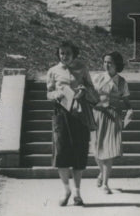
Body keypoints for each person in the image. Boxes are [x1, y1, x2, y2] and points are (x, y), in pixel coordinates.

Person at [45, 40, 99, 206]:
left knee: (79, 152)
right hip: (61, 114)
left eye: (68, 53)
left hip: (80, 114)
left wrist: (84, 90)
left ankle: (77, 192)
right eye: (61, 53)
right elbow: (48, 93)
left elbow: (92, 90)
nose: (64, 56)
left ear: (74, 54)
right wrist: (57, 94)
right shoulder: (53, 71)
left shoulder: (82, 68)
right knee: (61, 152)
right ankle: (66, 189)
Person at [91, 51, 133, 194]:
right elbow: (91, 97)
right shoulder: (97, 78)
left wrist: (129, 111)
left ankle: (105, 184)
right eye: (105, 62)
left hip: (113, 117)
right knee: (96, 148)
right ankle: (101, 173)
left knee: (108, 150)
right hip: (97, 115)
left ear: (117, 65)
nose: (107, 65)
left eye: (110, 62)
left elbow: (127, 102)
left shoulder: (122, 82)